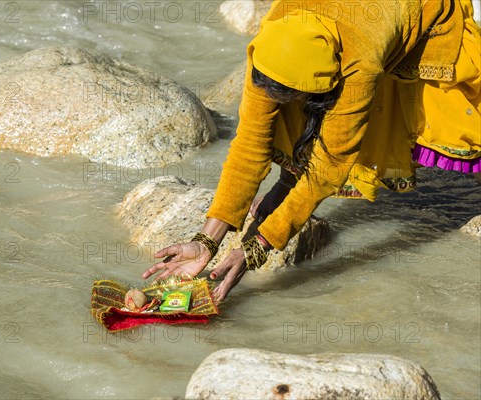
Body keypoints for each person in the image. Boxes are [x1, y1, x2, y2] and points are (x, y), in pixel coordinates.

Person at [142, 0, 481, 302]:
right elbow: (249, 145)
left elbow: (329, 169)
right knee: (281, 116)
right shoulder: (274, 40)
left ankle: (288, 180)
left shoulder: (361, 64)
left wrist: (256, 248)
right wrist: (207, 240)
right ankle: (287, 180)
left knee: (367, 124)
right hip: (338, 30)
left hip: (405, 14)